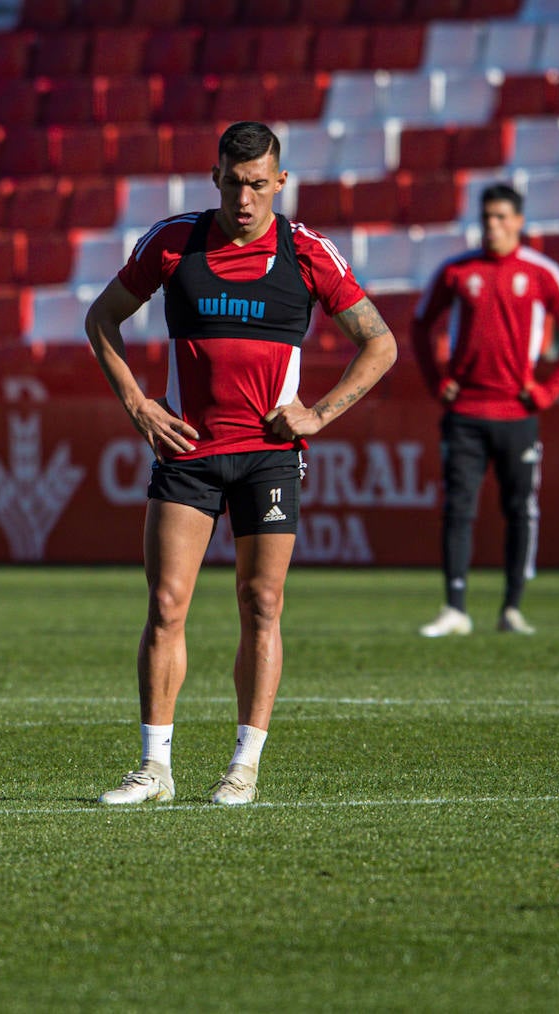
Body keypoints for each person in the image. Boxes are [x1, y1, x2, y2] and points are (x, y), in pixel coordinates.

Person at [85, 121, 397, 806]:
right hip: (189, 455)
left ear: (279, 183)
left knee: (262, 603)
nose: (246, 197)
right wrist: (138, 404)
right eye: (234, 183)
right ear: (216, 179)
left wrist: (317, 414)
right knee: (167, 605)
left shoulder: (306, 252)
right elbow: (101, 318)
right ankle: (154, 769)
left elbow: (379, 343)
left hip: (268, 461)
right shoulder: (174, 242)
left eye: (260, 184)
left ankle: (244, 766)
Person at [413, 183, 559, 638]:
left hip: (518, 414)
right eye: (486, 217)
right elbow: (419, 325)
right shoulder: (457, 270)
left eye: (500, 217)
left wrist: (548, 391)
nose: (492, 225)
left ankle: (512, 608)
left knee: (520, 510)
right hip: (466, 413)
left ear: (518, 222)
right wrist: (439, 381)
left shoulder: (541, 272)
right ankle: (455, 607)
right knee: (458, 508)